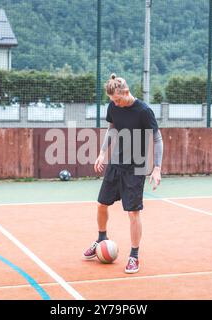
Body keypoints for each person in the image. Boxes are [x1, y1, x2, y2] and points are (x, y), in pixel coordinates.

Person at [83, 73, 163, 274]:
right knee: (102, 204)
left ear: (126, 92)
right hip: (116, 164)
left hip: (136, 168)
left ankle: (134, 256)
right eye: (112, 101)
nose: (115, 104)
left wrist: (157, 168)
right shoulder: (113, 106)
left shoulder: (144, 111)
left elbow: (157, 140)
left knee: (133, 212)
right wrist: (102, 153)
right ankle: (101, 239)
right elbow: (112, 129)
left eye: (117, 100)